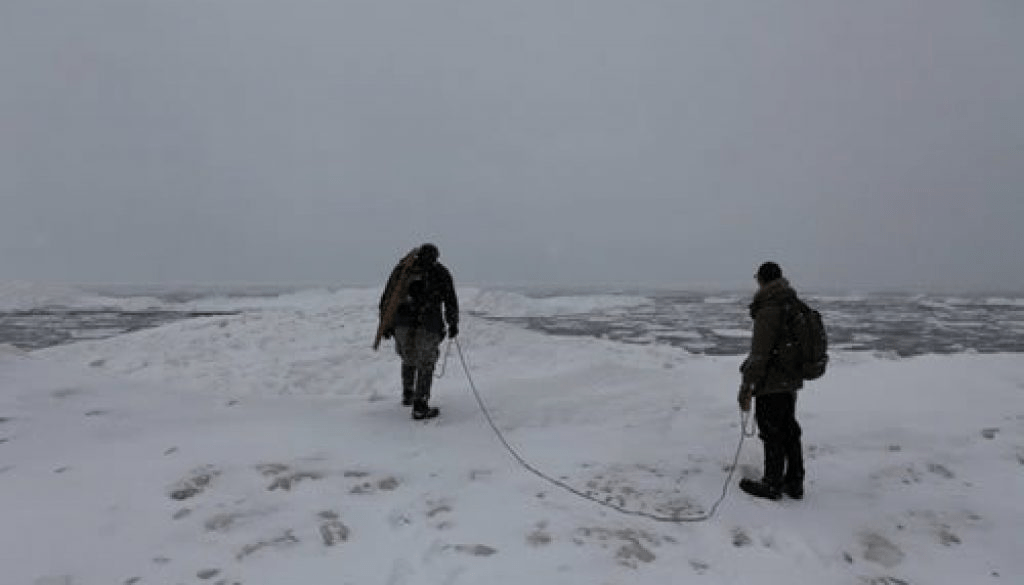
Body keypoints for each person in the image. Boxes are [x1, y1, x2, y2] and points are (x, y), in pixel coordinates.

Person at [737, 261, 805, 500]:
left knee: (772, 432)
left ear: (761, 280)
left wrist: (747, 386)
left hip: (772, 382)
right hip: (790, 381)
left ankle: (772, 484)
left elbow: (760, 354)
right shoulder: (792, 304)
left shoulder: (769, 309)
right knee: (789, 431)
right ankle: (795, 482)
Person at [379, 243, 459, 420]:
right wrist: (452, 323)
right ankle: (420, 405)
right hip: (428, 324)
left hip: (402, 323)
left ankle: (408, 394)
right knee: (426, 362)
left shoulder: (403, 270)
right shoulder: (440, 272)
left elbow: (388, 296)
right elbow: (450, 299)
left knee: (409, 358)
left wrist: (385, 324)